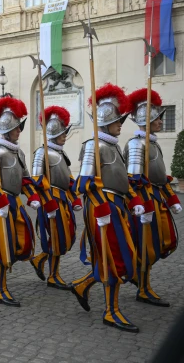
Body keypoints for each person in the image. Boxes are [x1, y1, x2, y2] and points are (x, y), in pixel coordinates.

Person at [70, 83, 145, 333]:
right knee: (114, 259)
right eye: (117, 121)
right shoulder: (94, 145)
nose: (121, 124)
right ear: (105, 123)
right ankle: (111, 312)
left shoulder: (112, 145)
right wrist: (101, 205)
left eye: (121, 120)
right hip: (102, 208)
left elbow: (121, 180)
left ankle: (83, 286)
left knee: (115, 256)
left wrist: (133, 199)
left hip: (116, 206)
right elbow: (82, 184)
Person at [0, 96, 39, 306]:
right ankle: (1, 289)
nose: (19, 131)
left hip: (14, 203)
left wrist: (32, 195)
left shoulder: (19, 152)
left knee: (22, 241)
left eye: (19, 127)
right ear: (7, 129)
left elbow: (25, 179)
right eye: (16, 128)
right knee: (2, 245)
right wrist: (0, 199)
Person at [124, 88, 181, 306]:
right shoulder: (137, 144)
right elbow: (133, 178)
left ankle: (144, 285)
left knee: (155, 244)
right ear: (147, 121)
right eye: (157, 119)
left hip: (155, 198)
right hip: (143, 201)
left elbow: (159, 176)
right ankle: (142, 286)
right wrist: (142, 203)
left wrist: (171, 197)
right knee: (145, 246)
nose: (160, 122)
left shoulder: (153, 143)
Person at [29, 106, 83, 290]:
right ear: (53, 133)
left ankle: (40, 260)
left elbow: (67, 177)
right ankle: (53, 275)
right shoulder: (41, 153)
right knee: (57, 237)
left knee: (64, 237)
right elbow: (36, 179)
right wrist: (47, 201)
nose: (64, 135)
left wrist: (75, 196)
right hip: (49, 201)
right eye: (62, 132)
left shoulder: (61, 153)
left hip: (62, 200)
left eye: (65, 132)